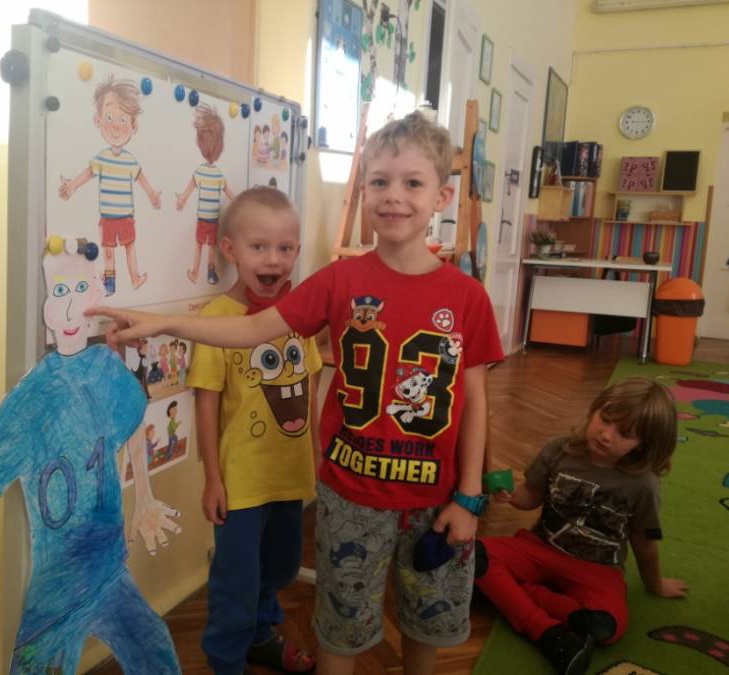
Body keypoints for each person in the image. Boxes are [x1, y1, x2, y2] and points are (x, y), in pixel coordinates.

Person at [85, 111, 504, 675]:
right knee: (340, 622)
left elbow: (474, 399)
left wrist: (470, 494)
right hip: (351, 497)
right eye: (379, 181)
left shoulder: (468, 296)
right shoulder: (337, 281)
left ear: (442, 196)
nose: (393, 196)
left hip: (436, 497)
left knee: (426, 619)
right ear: (363, 190)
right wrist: (162, 323)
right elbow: (251, 330)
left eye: (412, 182)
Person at [0, 241, 181, 675]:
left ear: (96, 299)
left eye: (81, 290)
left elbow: (132, 416)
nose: (70, 308)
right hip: (55, 600)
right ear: (48, 310)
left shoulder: (105, 368)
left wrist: (143, 497)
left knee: (157, 653)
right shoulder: (30, 397)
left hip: (110, 574)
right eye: (60, 293)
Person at [187, 186, 322, 675]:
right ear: (230, 250)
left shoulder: (298, 315)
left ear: (297, 251)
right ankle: (226, 660)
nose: (273, 259)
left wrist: (317, 453)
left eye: (284, 248)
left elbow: (311, 382)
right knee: (236, 579)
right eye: (259, 246)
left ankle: (261, 635)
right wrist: (212, 479)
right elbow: (206, 402)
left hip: (289, 474)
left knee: (281, 566)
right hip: (240, 483)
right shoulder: (214, 322)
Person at [474, 377, 687, 675]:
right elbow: (531, 496)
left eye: (624, 433)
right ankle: (545, 631)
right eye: (605, 419)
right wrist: (511, 496)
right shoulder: (559, 450)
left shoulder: (644, 484)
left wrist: (655, 584)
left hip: (598, 569)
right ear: (594, 409)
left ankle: (520, 593)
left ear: (643, 446)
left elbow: (644, 542)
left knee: (606, 626)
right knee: (471, 555)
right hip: (540, 548)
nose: (606, 435)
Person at [59, 75, 162, 296]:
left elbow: (141, 178)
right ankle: (109, 284)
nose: (116, 126)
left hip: (126, 216)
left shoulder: (130, 160)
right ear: (98, 120)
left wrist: (152, 193)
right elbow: (88, 173)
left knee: (129, 247)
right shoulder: (102, 158)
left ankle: (135, 278)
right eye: (109, 117)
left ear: (133, 126)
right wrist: (73, 185)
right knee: (108, 251)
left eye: (123, 120)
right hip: (107, 216)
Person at [176, 104, 236, 285]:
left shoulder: (200, 172)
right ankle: (210, 273)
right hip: (213, 220)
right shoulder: (218, 174)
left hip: (203, 218)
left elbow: (189, 189)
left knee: (199, 245)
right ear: (221, 147)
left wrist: (182, 199)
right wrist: (238, 203)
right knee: (212, 246)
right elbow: (231, 195)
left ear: (199, 144)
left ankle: (195, 272)